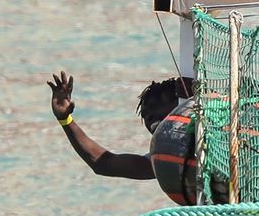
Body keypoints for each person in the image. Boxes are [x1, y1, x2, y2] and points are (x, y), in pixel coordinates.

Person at [48, 71, 188, 179]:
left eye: (158, 106)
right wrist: (65, 120)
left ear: (182, 104)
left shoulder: (206, 130)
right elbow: (103, 164)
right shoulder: (162, 161)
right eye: (146, 115)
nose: (151, 118)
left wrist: (196, 95)